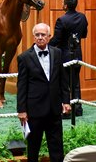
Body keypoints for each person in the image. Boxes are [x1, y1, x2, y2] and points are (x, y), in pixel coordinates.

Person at [17, 23, 71, 162]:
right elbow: (21, 86)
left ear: (49, 37)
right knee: (33, 149)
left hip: (54, 109)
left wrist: (66, 101)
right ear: (33, 37)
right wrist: (21, 110)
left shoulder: (57, 53)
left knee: (57, 148)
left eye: (43, 35)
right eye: (37, 35)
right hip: (34, 111)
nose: (40, 38)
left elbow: (62, 80)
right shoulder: (24, 57)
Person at [48, 0, 88, 118]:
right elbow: (84, 35)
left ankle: (66, 110)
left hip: (64, 56)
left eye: (62, 2)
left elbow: (57, 40)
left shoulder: (62, 20)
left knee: (64, 84)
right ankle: (78, 109)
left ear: (65, 5)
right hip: (77, 54)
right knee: (75, 82)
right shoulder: (82, 17)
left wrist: (46, 46)